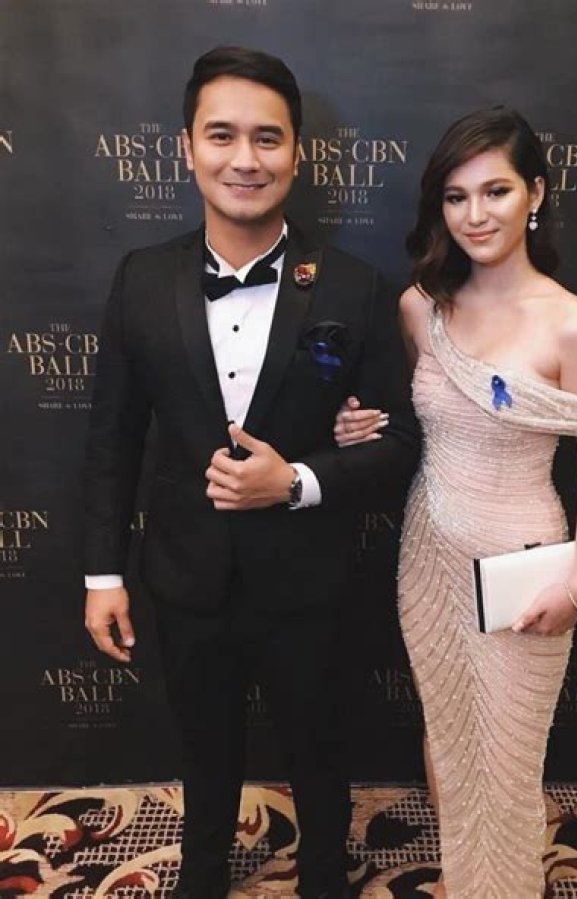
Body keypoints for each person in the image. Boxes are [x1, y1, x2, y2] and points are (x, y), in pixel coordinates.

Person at [83, 46, 420, 899]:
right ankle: (202, 873)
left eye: (268, 138)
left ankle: (323, 876)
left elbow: (398, 445)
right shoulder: (140, 279)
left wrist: (297, 480)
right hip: (184, 574)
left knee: (320, 748)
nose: (245, 158)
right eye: (222, 135)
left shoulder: (355, 288)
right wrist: (102, 574)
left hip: (310, 580)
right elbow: (113, 439)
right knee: (204, 747)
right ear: (186, 148)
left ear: (297, 154)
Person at [335, 107, 577, 898]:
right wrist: (360, 425)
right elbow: (410, 423)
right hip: (428, 554)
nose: (475, 214)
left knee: (508, 760)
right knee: (450, 742)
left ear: (536, 194)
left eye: (496, 191)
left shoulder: (573, 325)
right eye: (456, 197)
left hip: (525, 569)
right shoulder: (419, 308)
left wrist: (576, 584)